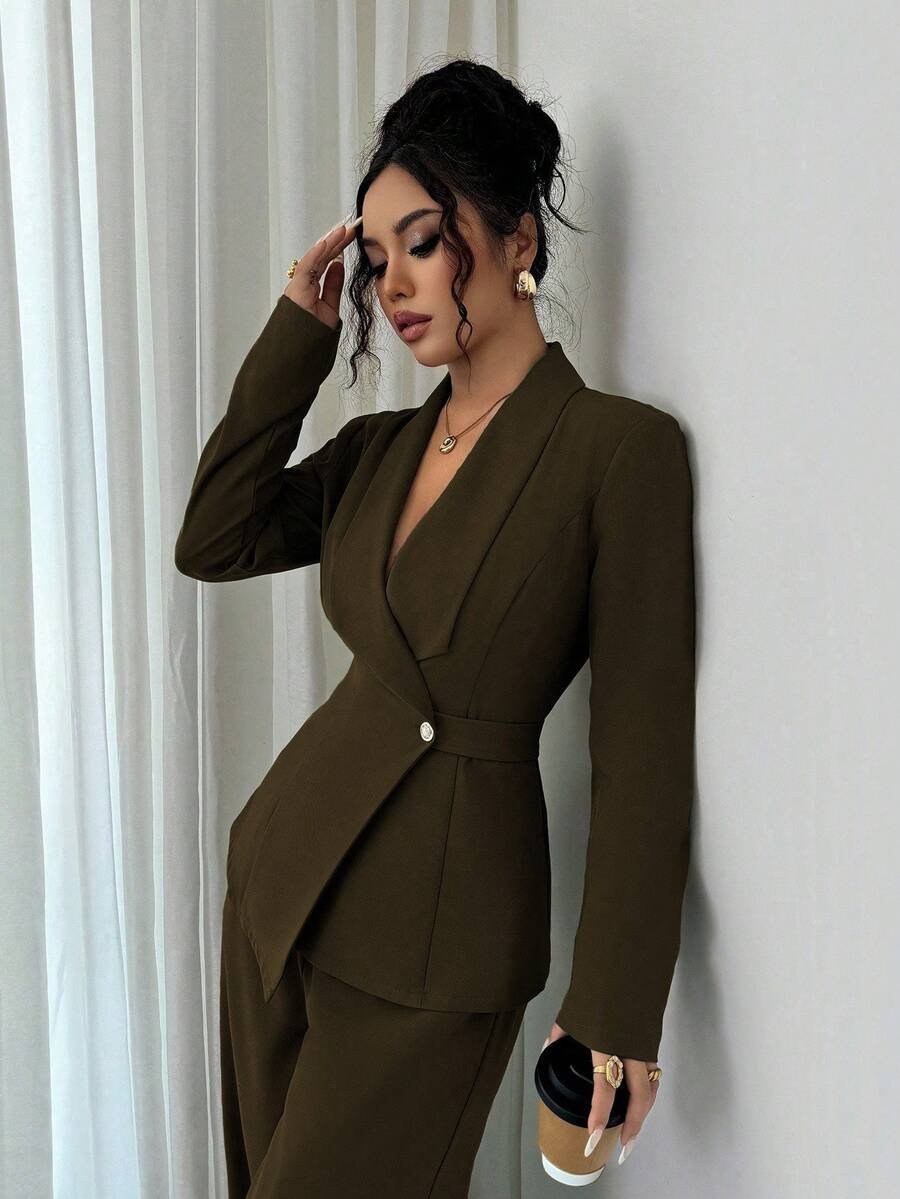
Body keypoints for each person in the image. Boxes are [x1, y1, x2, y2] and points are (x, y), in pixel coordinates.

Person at [175, 57, 695, 1199]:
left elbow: (642, 751)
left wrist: (615, 1010)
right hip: (281, 885)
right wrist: (299, 333)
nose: (395, 282)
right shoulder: (381, 450)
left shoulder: (617, 452)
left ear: (518, 238)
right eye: (375, 258)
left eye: (422, 241)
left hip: (437, 944)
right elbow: (214, 535)